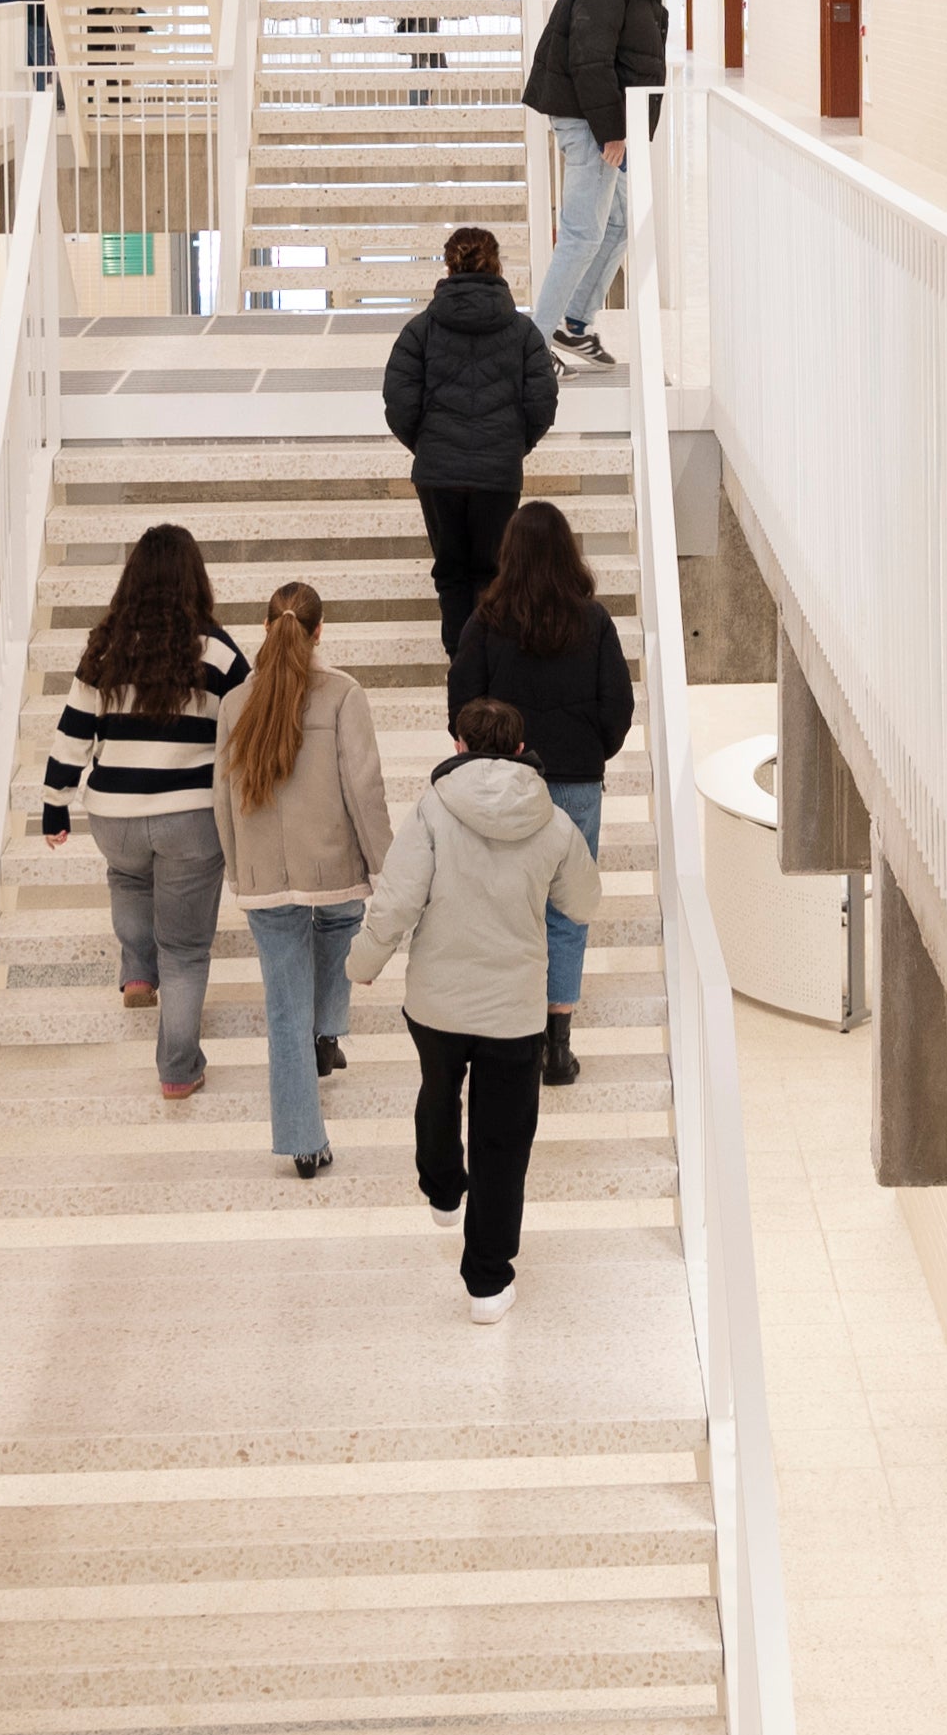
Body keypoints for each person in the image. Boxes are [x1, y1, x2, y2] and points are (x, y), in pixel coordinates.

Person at [350, 695, 603, 1321]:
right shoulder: (553, 821)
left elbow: (397, 900)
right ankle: (487, 1281)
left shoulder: (433, 809)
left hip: (436, 1003)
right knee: (503, 1140)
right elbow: (585, 903)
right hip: (516, 1012)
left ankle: (441, 1186)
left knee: (439, 1090)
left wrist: (361, 965)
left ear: (459, 746)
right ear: (521, 750)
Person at [41, 524, 254, 1099]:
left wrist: (54, 805)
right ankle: (178, 1070)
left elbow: (72, 734)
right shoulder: (219, 651)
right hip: (189, 816)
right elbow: (250, 724)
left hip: (115, 814)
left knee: (127, 878)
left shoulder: (104, 649)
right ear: (196, 580)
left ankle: (137, 970)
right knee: (185, 951)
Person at [444, 498, 631, 1085]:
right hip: (574, 785)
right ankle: (557, 1044)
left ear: (510, 554)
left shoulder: (485, 622)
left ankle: (513, 1036)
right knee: (568, 911)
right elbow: (618, 709)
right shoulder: (594, 620)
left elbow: (462, 704)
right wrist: (588, 750)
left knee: (504, 907)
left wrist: (488, 752)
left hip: (503, 784)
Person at [219, 581, 391, 1179]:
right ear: (319, 632)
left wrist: (239, 868)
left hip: (264, 874)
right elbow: (363, 789)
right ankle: (327, 1030)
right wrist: (385, 868)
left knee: (284, 1009)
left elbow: (222, 796)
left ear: (266, 629)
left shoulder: (235, 702)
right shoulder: (343, 694)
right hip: (333, 866)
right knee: (344, 918)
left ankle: (303, 1139)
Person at [384, 223, 560, 654]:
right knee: (493, 573)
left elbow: (399, 401)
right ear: (498, 264)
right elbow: (542, 402)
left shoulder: (420, 330)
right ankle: (490, 667)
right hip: (498, 474)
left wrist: (428, 446)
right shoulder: (522, 333)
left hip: (437, 474)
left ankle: (460, 667)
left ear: (448, 265)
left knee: (451, 575)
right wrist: (511, 447)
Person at [521, 0, 668, 370]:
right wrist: (611, 130)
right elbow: (590, 57)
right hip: (591, 121)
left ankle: (573, 324)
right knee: (583, 232)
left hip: (605, 117)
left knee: (621, 221)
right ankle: (534, 349)